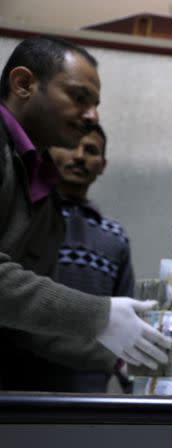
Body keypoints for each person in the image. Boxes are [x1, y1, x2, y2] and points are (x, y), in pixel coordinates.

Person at [0, 36, 169, 390]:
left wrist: (120, 355)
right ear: (23, 84)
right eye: (79, 98)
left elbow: (26, 322)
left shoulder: (43, 190)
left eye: (95, 104)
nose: (92, 117)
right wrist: (98, 314)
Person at [19, 124, 135, 392]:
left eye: (91, 150)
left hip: (88, 392)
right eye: (70, 146)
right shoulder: (27, 218)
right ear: (49, 152)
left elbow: (125, 315)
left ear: (102, 165)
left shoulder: (114, 236)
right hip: (21, 387)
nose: (80, 156)